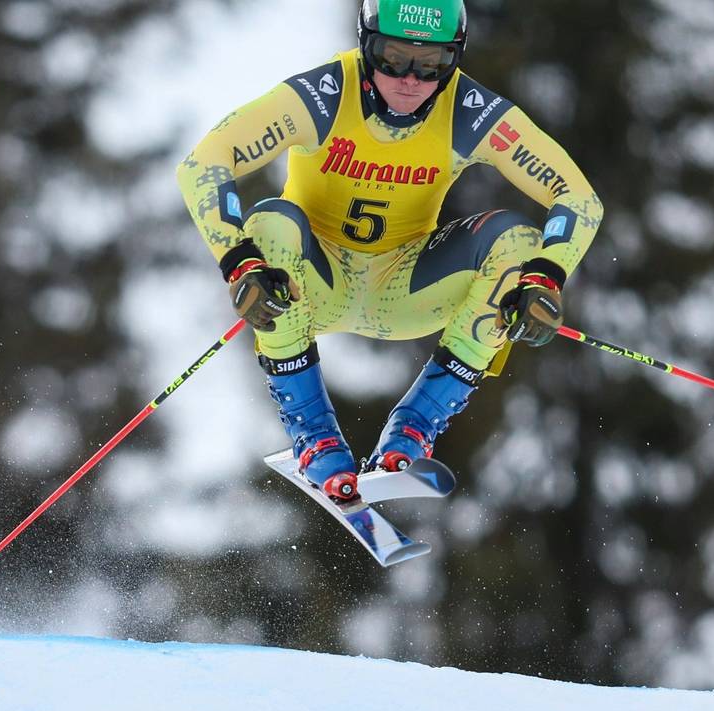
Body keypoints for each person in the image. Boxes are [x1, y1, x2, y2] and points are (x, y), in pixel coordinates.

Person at [177, 0, 602, 501]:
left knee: (520, 245)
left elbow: (578, 198)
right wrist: (238, 262)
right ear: (365, 44)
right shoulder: (324, 95)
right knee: (272, 222)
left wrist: (546, 277)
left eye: (432, 64)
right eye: (392, 57)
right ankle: (313, 437)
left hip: (406, 288)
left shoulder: (470, 111)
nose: (409, 79)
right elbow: (203, 161)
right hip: (312, 286)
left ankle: (414, 430)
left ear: (455, 59)